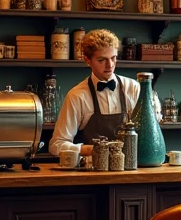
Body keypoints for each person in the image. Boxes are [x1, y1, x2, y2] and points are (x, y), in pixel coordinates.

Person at [49, 29, 141, 157]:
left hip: (130, 170)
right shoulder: (77, 96)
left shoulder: (133, 88)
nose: (110, 65)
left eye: (113, 58)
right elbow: (57, 145)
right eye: (101, 60)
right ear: (87, 60)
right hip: (91, 171)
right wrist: (91, 150)